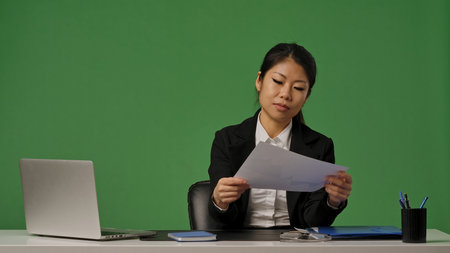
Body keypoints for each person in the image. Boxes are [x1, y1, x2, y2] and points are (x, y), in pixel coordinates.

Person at [207, 43, 352, 229]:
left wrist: (333, 201)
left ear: (307, 96)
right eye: (277, 81)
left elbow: (313, 222)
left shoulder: (320, 146)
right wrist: (220, 201)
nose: (285, 94)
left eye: (298, 88)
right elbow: (223, 219)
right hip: (240, 244)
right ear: (259, 81)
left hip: (298, 245)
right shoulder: (227, 140)